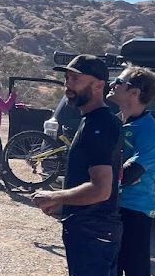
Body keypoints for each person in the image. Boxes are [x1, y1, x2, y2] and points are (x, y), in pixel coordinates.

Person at [31, 54, 122, 276]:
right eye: (67, 78)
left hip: (94, 233)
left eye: (76, 79)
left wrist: (56, 196)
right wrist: (63, 204)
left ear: (99, 85)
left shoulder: (99, 125)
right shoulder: (92, 121)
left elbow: (101, 189)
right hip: (89, 230)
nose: (68, 85)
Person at [106, 66, 155, 276]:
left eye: (118, 81)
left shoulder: (152, 132)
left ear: (134, 92)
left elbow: (130, 173)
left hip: (134, 211)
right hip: (108, 206)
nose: (112, 84)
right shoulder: (113, 123)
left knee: (135, 270)